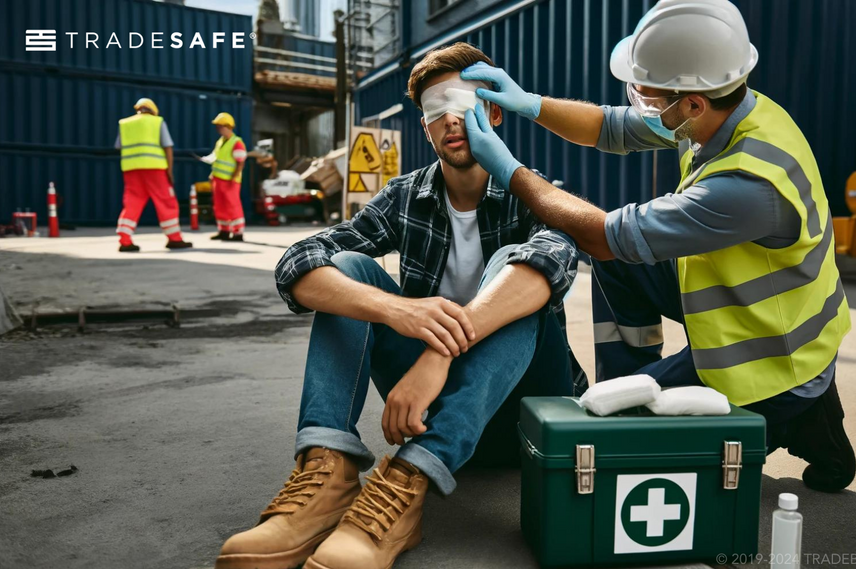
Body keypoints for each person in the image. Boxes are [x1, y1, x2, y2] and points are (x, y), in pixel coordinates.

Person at [461, 0, 856, 493]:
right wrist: (532, 104)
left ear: (691, 103)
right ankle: (638, 381)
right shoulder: (727, 109)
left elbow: (603, 236)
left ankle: (791, 415)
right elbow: (612, 127)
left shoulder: (748, 186)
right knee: (623, 272)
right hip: (748, 306)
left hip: (768, 358)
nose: (640, 102)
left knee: (622, 415)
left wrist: (508, 169)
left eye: (649, 96)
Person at [215, 43, 585, 569]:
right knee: (346, 267)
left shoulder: (532, 194)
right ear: (426, 128)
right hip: (425, 408)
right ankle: (330, 472)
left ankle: (408, 479)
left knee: (517, 269)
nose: (451, 120)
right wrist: (399, 312)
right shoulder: (406, 196)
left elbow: (553, 263)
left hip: (525, 410)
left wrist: (437, 355)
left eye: (464, 104)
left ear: (495, 111)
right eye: (437, 111)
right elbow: (298, 261)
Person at [115, 98, 192, 251]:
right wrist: (169, 171)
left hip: (131, 169)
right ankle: (174, 238)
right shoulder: (157, 122)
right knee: (166, 201)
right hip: (155, 169)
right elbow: (168, 147)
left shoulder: (124, 123)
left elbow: (119, 146)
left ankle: (124, 240)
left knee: (132, 202)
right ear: (153, 110)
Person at [201, 112, 247, 241]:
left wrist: (234, 177)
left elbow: (240, 162)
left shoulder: (236, 142)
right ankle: (224, 231)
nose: (218, 129)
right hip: (218, 179)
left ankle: (238, 233)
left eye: (220, 126)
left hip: (230, 181)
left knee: (233, 206)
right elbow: (216, 159)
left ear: (228, 126)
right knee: (220, 206)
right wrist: (212, 175)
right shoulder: (220, 142)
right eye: (217, 126)